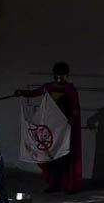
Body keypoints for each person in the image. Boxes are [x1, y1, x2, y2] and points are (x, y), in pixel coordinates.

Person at [15, 61, 82, 194]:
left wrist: (72, 122)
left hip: (64, 128)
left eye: (62, 75)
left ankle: (68, 185)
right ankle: (54, 184)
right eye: (57, 74)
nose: (59, 78)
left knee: (64, 156)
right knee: (51, 156)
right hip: (51, 127)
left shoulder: (70, 90)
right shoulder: (49, 87)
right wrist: (22, 92)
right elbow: (34, 93)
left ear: (67, 75)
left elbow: (75, 108)